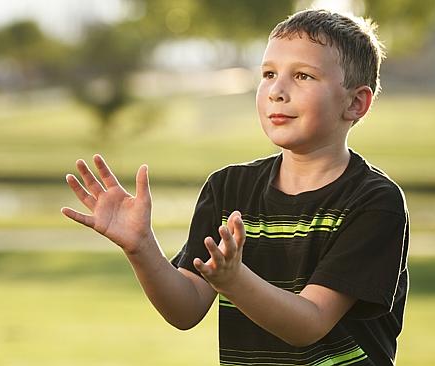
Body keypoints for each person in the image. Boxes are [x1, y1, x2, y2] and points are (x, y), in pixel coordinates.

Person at [61, 8, 409, 366]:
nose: (277, 90)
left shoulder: (375, 201)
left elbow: (310, 322)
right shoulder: (229, 188)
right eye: (269, 74)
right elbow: (186, 309)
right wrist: (142, 248)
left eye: (303, 76)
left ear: (356, 103)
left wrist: (234, 279)